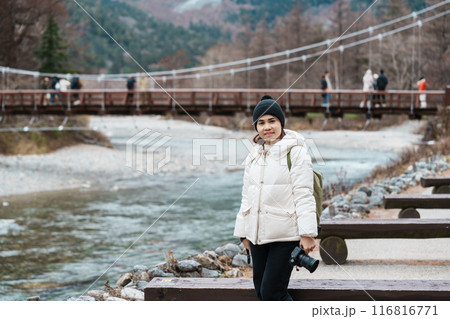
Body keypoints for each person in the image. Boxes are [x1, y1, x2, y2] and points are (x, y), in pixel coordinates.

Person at [234, 95, 318, 301]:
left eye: (272, 121)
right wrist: (243, 232)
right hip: (257, 236)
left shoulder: (296, 152)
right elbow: (247, 196)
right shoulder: (254, 154)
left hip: (285, 236)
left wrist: (307, 233)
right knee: (261, 292)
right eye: (261, 123)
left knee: (273, 293)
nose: (266, 127)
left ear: (281, 123)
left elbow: (304, 194)